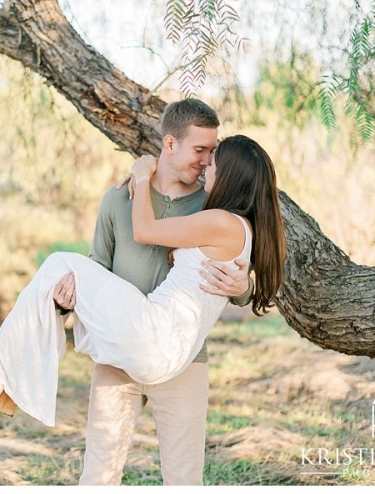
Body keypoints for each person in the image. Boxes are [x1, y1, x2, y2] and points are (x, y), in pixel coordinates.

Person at [0, 134, 286, 460]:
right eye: (203, 154)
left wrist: (139, 176)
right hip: (168, 348)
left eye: (214, 161)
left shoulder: (220, 221)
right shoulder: (241, 228)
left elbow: (144, 231)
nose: (207, 164)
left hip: (156, 335)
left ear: (230, 175)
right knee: (60, 272)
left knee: (59, 262)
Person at [67, 98, 255, 486]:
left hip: (185, 360)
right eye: (200, 150)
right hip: (118, 355)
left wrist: (244, 288)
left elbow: (237, 273)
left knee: (184, 477)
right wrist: (67, 298)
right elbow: (97, 266)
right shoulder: (118, 200)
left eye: (212, 152)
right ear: (170, 144)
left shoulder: (212, 205)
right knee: (99, 472)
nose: (206, 161)